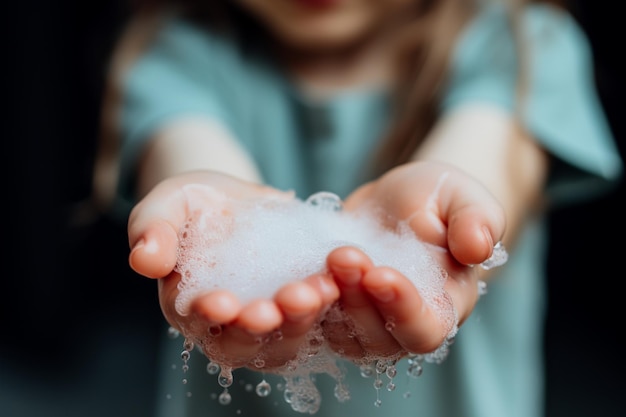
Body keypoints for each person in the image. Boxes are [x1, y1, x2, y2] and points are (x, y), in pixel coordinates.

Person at [91, 0, 622, 416]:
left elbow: (490, 155)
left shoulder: (519, 43)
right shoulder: (176, 54)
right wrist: (211, 214)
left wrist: (450, 210)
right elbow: (185, 147)